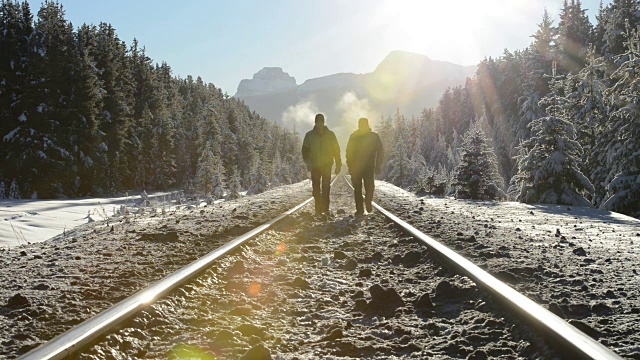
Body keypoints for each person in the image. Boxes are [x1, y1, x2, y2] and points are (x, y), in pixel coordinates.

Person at [302, 114, 342, 216]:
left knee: (326, 187)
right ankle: (318, 210)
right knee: (316, 188)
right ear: (315, 122)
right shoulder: (309, 135)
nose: (319, 123)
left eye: (321, 121)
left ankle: (325, 209)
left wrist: (338, 164)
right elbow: (305, 151)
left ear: (323, 122)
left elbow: (336, 150)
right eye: (317, 121)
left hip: (326, 165)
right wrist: (308, 161)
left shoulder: (330, 135)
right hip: (314, 166)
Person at [346, 117, 384, 216]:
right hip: (356, 167)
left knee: (370, 186)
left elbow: (380, 151)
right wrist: (350, 166)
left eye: (364, 124)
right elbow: (349, 152)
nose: (362, 126)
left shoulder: (374, 136)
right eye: (361, 124)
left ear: (367, 125)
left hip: (369, 167)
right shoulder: (354, 136)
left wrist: (378, 165)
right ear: (359, 125)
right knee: (357, 188)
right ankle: (359, 210)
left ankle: (367, 202)